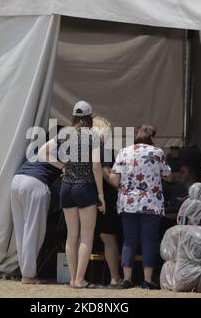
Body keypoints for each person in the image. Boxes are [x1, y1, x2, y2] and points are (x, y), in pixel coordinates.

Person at [41, 100, 105, 288]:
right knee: (86, 237)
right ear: (89, 118)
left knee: (71, 235)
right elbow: (95, 166)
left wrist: (62, 166)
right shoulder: (92, 137)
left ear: (74, 117)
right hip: (85, 187)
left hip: (66, 186)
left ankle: (71, 279)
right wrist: (101, 195)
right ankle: (80, 279)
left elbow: (43, 152)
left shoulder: (64, 133)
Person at [110, 124, 171, 289]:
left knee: (129, 240)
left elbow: (114, 179)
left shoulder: (124, 151)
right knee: (149, 239)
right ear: (152, 137)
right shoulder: (157, 153)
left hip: (128, 203)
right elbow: (167, 174)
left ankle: (127, 279)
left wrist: (125, 188)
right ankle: (148, 280)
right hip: (151, 203)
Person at [10, 137, 64, 284]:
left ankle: (25, 272)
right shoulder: (69, 146)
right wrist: (64, 168)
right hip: (36, 183)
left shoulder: (46, 143)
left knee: (21, 231)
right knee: (34, 231)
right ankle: (28, 275)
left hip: (17, 179)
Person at [92, 117, 122, 287]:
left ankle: (76, 277)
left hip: (85, 195)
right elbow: (106, 171)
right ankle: (114, 277)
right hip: (105, 198)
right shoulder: (105, 149)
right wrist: (120, 186)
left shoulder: (83, 148)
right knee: (109, 239)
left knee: (83, 237)